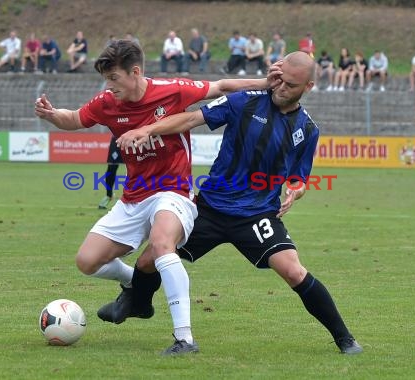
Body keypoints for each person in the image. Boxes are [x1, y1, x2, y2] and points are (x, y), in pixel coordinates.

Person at [112, 51, 363, 355]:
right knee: (148, 259)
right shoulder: (245, 100)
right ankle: (137, 302)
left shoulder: (307, 130)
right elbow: (193, 118)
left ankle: (345, 338)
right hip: (210, 208)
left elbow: (300, 178)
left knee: (294, 271)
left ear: (308, 87)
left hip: (257, 216)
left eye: (291, 86)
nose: (282, 89)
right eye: (281, 81)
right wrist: (147, 129)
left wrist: (295, 191)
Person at [34, 39, 274, 355]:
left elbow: (221, 86)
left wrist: (266, 83)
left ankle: (184, 338)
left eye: (114, 78)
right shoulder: (108, 102)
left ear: (135, 72)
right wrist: (52, 115)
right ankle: (135, 282)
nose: (109, 86)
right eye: (106, 79)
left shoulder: (172, 89)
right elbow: (76, 119)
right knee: (87, 261)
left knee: (162, 244)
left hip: (173, 192)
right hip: (134, 198)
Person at [98, 135, 123, 210]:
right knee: (111, 168)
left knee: (136, 167)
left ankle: (139, 197)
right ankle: (109, 195)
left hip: (134, 136)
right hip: (117, 138)